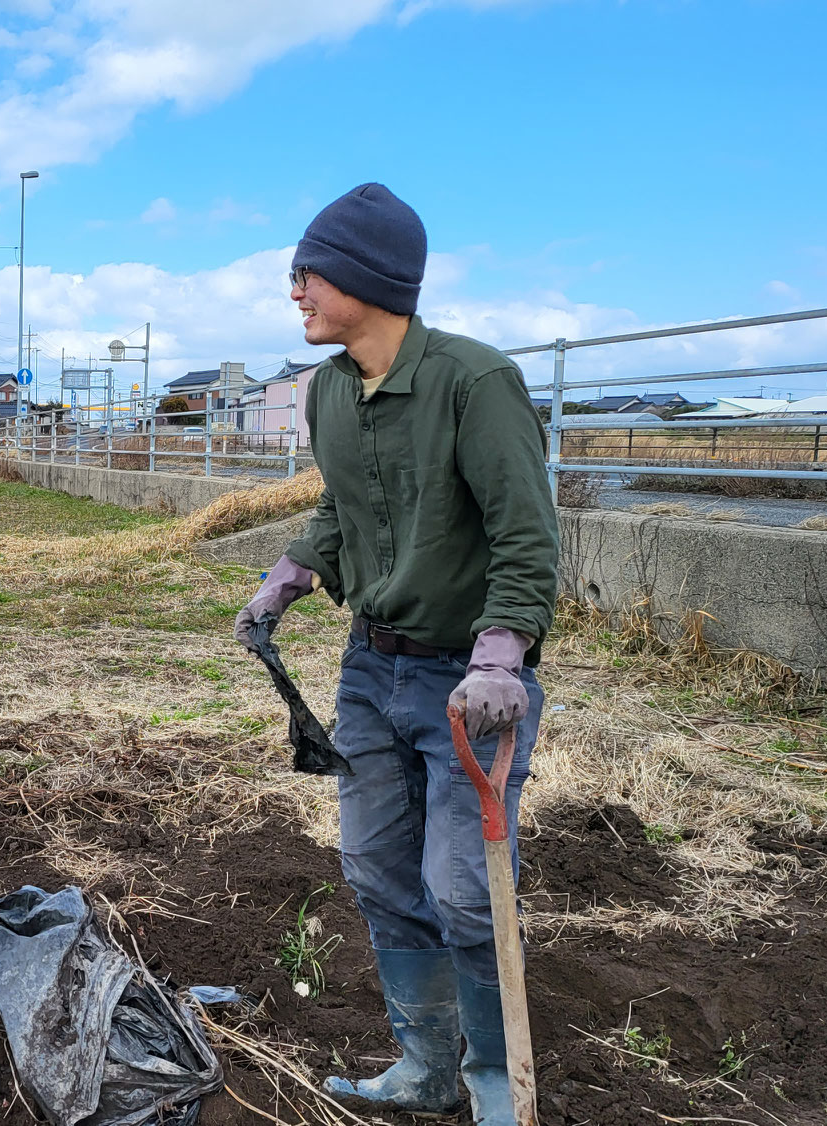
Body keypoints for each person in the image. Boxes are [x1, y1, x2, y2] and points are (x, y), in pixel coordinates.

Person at [233, 184, 558, 1126]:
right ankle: (424, 1065)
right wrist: (290, 577)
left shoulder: (474, 383)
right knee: (376, 867)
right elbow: (343, 507)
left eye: (307, 273)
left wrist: (501, 657)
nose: (294, 291)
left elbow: (525, 535)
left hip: (470, 680)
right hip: (369, 670)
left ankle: (495, 1082)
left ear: (366, 279)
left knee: (464, 888)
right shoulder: (330, 390)